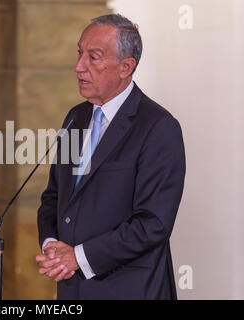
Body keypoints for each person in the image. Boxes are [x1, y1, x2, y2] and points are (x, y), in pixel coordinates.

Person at [36, 14, 186, 299]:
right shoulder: (75, 117)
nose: (78, 66)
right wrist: (52, 245)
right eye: (80, 53)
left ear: (125, 67)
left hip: (129, 290)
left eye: (94, 57)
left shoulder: (158, 127)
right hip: (72, 290)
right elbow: (53, 198)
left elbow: (152, 224)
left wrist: (78, 257)